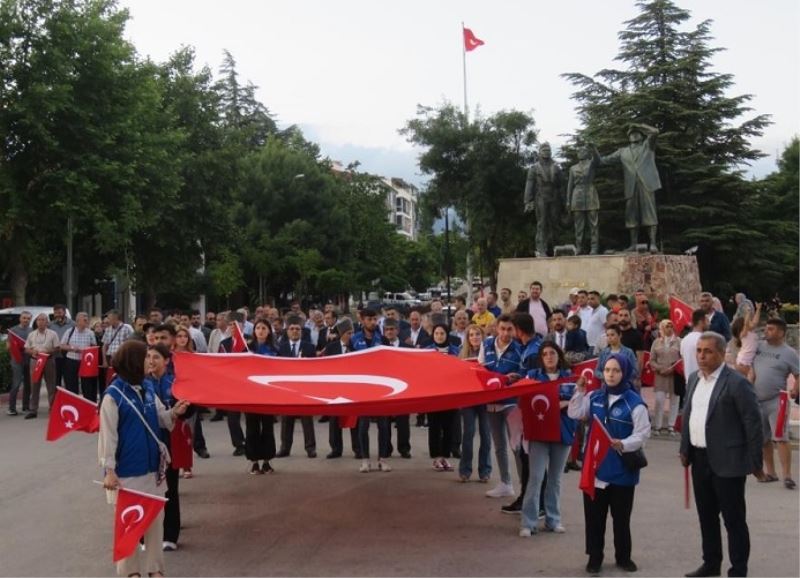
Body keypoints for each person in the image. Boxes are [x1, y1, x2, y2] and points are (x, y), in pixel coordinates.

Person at [99, 340, 189, 577]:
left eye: (151, 357)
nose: (149, 361)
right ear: (132, 362)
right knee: (130, 525)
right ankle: (130, 572)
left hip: (154, 470)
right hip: (128, 471)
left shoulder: (148, 388)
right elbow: (107, 436)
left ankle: (155, 570)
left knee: (155, 523)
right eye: (145, 357)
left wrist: (175, 412)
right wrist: (108, 469)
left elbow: (163, 419)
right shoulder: (113, 396)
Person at [679, 332, 765, 578]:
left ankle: (738, 569)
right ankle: (711, 563)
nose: (701, 356)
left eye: (707, 351)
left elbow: (753, 423)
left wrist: (755, 462)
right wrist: (685, 448)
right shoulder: (695, 379)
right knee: (706, 517)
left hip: (729, 463)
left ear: (721, 353)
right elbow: (689, 415)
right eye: (699, 351)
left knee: (733, 520)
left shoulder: (736, 382)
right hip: (699, 459)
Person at [568, 354, 650, 574]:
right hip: (596, 469)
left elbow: (643, 434)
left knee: (621, 519)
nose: (611, 375)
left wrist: (623, 443)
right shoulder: (594, 396)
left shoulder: (635, 403)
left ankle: (623, 557)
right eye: (607, 370)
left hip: (622, 470)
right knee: (594, 518)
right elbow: (574, 412)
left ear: (625, 373)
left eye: (616, 371)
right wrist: (580, 391)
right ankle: (595, 557)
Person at [520, 341, 576, 536]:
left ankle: (553, 520)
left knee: (555, 478)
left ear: (558, 356)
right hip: (539, 432)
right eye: (545, 354)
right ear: (541, 358)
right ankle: (528, 522)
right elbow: (523, 398)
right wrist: (558, 404)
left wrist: (563, 403)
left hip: (563, 431)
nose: (549, 357)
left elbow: (578, 402)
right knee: (535, 478)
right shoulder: (533, 376)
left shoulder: (570, 378)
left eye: (552, 353)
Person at [144, 343, 192, 552]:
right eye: (148, 357)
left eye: (156, 357)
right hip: (146, 443)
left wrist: (181, 410)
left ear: (166, 361)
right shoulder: (140, 383)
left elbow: (191, 409)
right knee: (147, 489)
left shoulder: (176, 383)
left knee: (170, 489)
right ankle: (145, 536)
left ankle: (170, 535)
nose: (151, 361)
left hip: (170, 442)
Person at [750, 318, 800, 490]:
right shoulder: (759, 347)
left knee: (781, 437)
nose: (766, 331)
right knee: (764, 438)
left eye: (770, 329)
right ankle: (771, 472)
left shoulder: (789, 353)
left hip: (777, 400)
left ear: (781, 332)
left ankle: (787, 475)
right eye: (766, 328)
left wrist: (795, 388)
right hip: (757, 400)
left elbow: (798, 374)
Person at [599, 123, 661, 252]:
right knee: (631, 215)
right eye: (631, 134)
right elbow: (603, 160)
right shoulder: (623, 151)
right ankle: (633, 244)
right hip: (631, 186)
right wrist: (593, 153)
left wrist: (640, 125)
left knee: (649, 213)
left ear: (641, 135)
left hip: (646, 185)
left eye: (636, 133)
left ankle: (653, 243)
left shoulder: (647, 146)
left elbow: (655, 132)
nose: (634, 135)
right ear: (628, 137)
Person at [480, 314, 523, 498]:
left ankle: (525, 486)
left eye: (509, 329)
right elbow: (480, 369)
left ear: (514, 330)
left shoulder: (520, 348)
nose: (506, 333)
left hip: (511, 402)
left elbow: (524, 372)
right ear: (497, 328)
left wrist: (517, 377)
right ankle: (506, 483)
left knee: (517, 446)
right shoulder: (487, 344)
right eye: (503, 329)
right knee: (498, 445)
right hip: (491, 403)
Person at [276, 316, 317, 459]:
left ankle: (310, 448)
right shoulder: (281, 348)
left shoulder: (309, 347)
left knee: (307, 419)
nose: (294, 331)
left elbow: (315, 369)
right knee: (286, 420)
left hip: (304, 389)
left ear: (302, 331)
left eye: (297, 329)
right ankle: (285, 448)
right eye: (291, 329)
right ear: (287, 331)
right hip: (287, 389)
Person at [458, 324, 491, 483]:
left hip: (485, 398)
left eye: (477, 334)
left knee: (486, 435)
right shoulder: (462, 354)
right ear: (468, 338)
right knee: (468, 434)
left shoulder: (489, 353)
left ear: (482, 336)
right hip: (469, 398)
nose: (475, 337)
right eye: (471, 335)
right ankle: (465, 470)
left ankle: (485, 470)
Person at [324, 317, 361, 459]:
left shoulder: (357, 347)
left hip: (353, 388)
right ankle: (336, 449)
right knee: (334, 420)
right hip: (335, 388)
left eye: (352, 333)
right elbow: (326, 367)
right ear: (342, 334)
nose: (351, 336)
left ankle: (358, 448)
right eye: (348, 333)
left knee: (354, 419)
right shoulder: (331, 347)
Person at [426, 323, 461, 471]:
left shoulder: (455, 351)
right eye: (436, 333)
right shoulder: (427, 351)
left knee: (449, 427)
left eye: (442, 333)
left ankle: (445, 457)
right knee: (434, 426)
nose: (439, 336)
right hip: (433, 395)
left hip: (450, 394)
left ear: (447, 334)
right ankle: (436, 457)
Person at [246, 319, 278, 474]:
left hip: (267, 395)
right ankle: (254, 461)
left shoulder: (274, 349)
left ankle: (267, 460)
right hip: (250, 395)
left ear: (269, 331)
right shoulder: (247, 349)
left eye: (263, 328)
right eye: (257, 328)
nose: (260, 330)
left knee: (267, 428)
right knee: (252, 429)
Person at [524, 142, 565, 257]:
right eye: (544, 150)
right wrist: (528, 201)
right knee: (542, 223)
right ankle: (541, 249)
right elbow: (529, 185)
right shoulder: (534, 168)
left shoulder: (556, 167)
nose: (547, 152)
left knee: (555, 223)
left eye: (548, 150)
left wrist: (565, 201)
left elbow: (561, 186)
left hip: (554, 197)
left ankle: (557, 247)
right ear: (539, 152)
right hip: (541, 197)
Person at [23, 313, 60, 419]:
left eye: (43, 320)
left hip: (48, 361)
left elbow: (57, 348)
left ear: (47, 322)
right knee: (34, 385)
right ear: (36, 322)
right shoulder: (32, 334)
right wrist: (32, 352)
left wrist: (49, 351)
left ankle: (52, 409)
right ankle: (33, 410)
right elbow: (26, 348)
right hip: (35, 361)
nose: (41, 322)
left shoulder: (53, 334)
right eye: (39, 320)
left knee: (51, 386)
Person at [567, 144, 601, 254]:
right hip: (577, 196)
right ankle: (579, 247)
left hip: (590, 193)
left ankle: (594, 247)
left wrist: (593, 148)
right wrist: (568, 200)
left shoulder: (592, 163)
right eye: (579, 151)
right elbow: (570, 185)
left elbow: (598, 159)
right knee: (578, 225)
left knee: (593, 223)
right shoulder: (573, 168)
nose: (580, 152)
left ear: (587, 153)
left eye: (583, 150)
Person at [649, 319, 681, 435]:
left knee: (674, 400)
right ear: (662, 328)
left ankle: (671, 425)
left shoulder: (679, 341)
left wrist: (674, 368)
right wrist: (659, 368)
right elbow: (651, 360)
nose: (669, 328)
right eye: (667, 326)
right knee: (659, 400)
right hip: (660, 375)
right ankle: (657, 425)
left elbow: (682, 358)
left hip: (674, 375)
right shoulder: (656, 342)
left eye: (671, 326)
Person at [60, 312, 99, 401]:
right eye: (84, 319)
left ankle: (89, 405)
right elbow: (62, 345)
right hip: (72, 360)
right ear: (78, 321)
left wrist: (88, 350)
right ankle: (73, 404)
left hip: (86, 362)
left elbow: (94, 346)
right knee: (71, 384)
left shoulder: (90, 333)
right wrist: (73, 348)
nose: (87, 321)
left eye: (87, 319)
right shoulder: (69, 331)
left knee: (87, 385)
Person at [6, 310, 32, 416]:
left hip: (29, 359)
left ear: (30, 320)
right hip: (16, 360)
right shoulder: (13, 330)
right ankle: (11, 408)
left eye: (28, 318)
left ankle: (25, 407)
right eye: (24, 318)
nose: (26, 320)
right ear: (20, 319)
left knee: (28, 384)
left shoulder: (32, 331)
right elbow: (8, 346)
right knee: (16, 384)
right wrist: (17, 349)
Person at [48, 304, 75, 390]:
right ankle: (57, 401)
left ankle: (69, 400)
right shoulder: (50, 325)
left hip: (68, 356)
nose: (57, 315)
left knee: (69, 381)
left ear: (64, 312)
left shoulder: (73, 324)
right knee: (56, 381)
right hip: (55, 356)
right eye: (55, 313)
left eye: (59, 312)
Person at [731, 303, 761, 375]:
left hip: (747, 360)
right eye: (750, 321)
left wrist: (758, 309)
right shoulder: (744, 334)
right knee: (748, 377)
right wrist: (748, 312)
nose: (752, 322)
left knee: (749, 377)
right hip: (744, 361)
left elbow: (755, 321)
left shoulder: (751, 332)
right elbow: (746, 323)